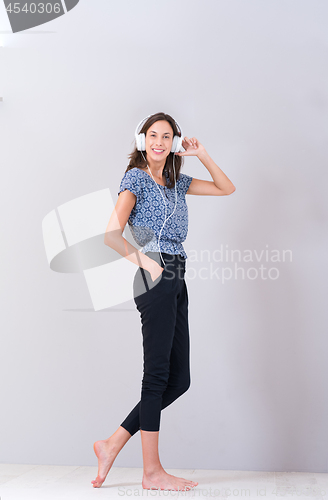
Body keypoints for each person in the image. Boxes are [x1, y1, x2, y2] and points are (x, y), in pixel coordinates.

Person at [92, 112, 236, 491]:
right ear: (142, 141)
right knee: (156, 375)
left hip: (178, 273)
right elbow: (111, 234)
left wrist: (202, 154)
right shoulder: (135, 179)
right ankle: (151, 472)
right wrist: (148, 265)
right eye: (152, 135)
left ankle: (112, 443)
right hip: (155, 273)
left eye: (166, 136)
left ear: (174, 142)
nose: (159, 141)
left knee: (179, 379)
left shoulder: (176, 181)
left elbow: (226, 188)